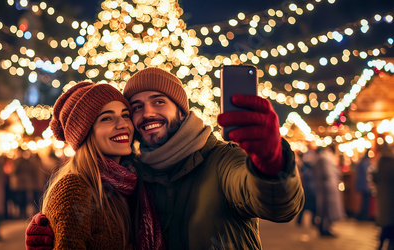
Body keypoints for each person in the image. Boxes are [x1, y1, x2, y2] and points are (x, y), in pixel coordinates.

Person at [27, 67, 304, 249]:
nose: (147, 113)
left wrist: (272, 162)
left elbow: (279, 207)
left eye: (159, 101)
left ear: (181, 111)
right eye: (136, 107)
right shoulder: (133, 177)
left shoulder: (221, 160)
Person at [35, 81, 164, 249]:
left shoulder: (131, 182)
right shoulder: (74, 189)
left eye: (125, 115)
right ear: (85, 133)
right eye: (107, 118)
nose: (123, 124)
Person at [313, 145, 345, 237]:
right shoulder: (326, 158)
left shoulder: (321, 157)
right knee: (328, 209)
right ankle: (325, 228)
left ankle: (324, 227)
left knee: (324, 209)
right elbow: (328, 173)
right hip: (329, 187)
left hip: (325, 187)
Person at [372, 142, 394, 250]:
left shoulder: (379, 162)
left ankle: (380, 246)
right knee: (390, 225)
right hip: (391, 198)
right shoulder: (391, 163)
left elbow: (374, 177)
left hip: (382, 197)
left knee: (386, 224)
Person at [355, 149, 373, 221]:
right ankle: (364, 215)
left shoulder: (362, 161)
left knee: (364, 200)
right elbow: (368, 174)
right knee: (365, 201)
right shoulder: (366, 162)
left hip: (361, 184)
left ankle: (362, 214)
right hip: (365, 185)